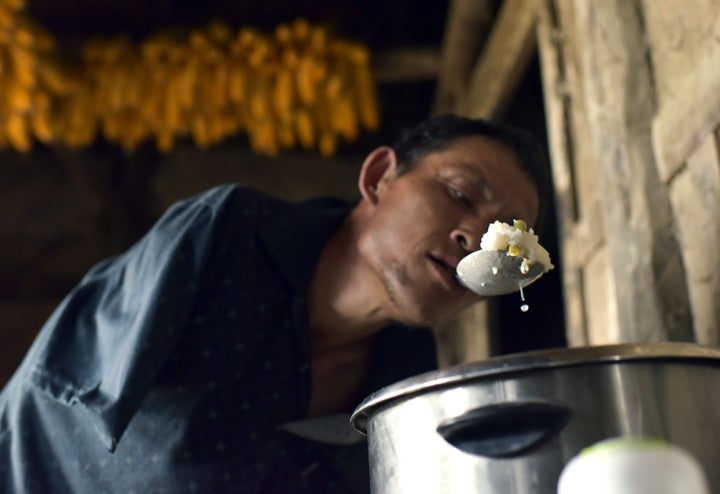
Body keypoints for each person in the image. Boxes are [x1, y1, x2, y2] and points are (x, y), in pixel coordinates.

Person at [0, 114, 550, 493]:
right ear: (379, 177)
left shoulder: (405, 393)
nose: (475, 238)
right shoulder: (227, 239)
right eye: (458, 194)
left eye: (504, 242)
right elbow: (61, 392)